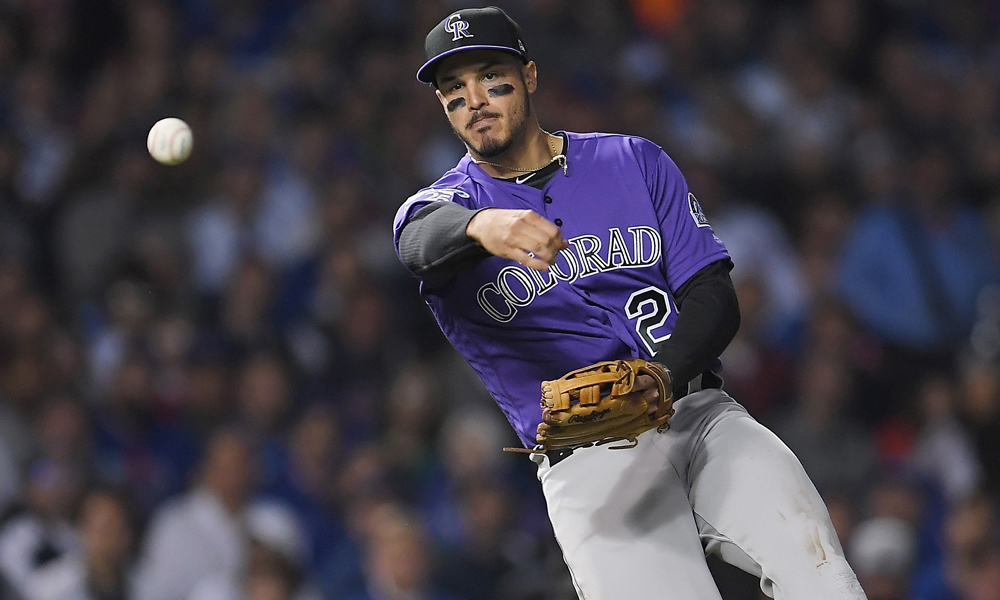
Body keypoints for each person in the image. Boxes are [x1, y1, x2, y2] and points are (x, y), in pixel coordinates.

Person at [392, 7, 866, 600]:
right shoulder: (441, 207)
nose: (475, 99)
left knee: (823, 574)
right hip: (587, 459)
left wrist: (664, 375)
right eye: (453, 90)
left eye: (490, 76)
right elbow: (417, 244)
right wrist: (483, 226)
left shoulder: (631, 160)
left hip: (699, 415)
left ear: (530, 77)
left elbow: (713, 294)